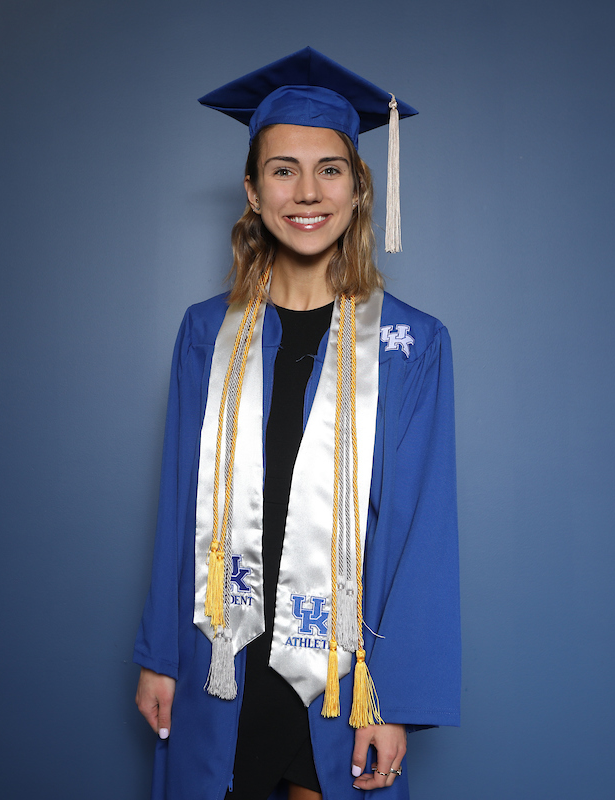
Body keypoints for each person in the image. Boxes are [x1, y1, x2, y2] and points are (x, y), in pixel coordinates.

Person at [134, 48, 460, 800]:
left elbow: (420, 530)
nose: (306, 191)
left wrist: (395, 699)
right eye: (282, 169)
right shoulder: (206, 333)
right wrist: (159, 653)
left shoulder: (411, 345)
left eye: (330, 169)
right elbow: (177, 503)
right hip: (223, 649)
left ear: (358, 189)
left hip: (342, 669)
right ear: (252, 192)